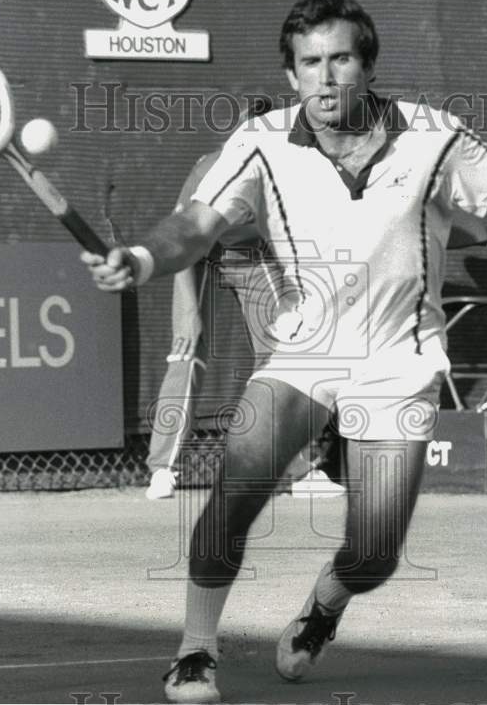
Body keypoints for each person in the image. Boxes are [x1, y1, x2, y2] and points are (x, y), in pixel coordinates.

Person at [82, 0, 487, 704]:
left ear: (367, 64)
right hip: (306, 352)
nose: (325, 78)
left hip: (400, 362)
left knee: (374, 551)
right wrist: (142, 258)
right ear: (291, 74)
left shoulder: (433, 136)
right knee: (236, 485)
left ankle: (325, 604)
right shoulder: (259, 141)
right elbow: (198, 223)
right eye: (309, 63)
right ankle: (196, 648)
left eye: (340, 59)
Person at [145, 104, 345, 501]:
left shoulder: (298, 168)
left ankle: (297, 469)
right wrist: (189, 316)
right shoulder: (212, 168)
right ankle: (161, 470)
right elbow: (184, 237)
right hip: (198, 252)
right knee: (186, 351)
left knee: (287, 354)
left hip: (255, 255)